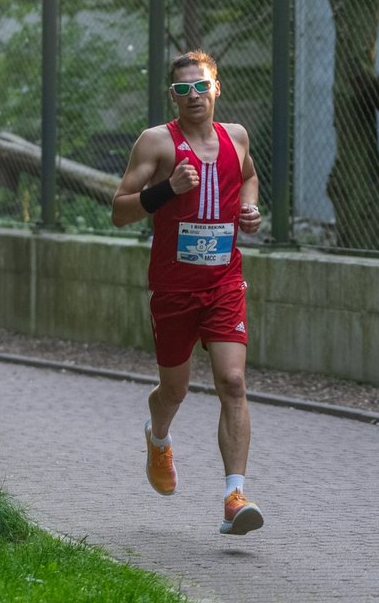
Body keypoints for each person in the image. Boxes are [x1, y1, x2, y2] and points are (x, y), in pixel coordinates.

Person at [111, 49, 264, 536]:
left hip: (223, 282)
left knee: (232, 382)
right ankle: (158, 439)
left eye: (201, 86)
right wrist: (168, 190)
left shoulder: (235, 137)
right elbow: (119, 210)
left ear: (216, 88)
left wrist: (249, 208)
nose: (193, 96)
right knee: (174, 389)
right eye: (182, 89)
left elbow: (249, 176)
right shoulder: (156, 143)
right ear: (172, 95)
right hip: (174, 289)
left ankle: (234, 497)